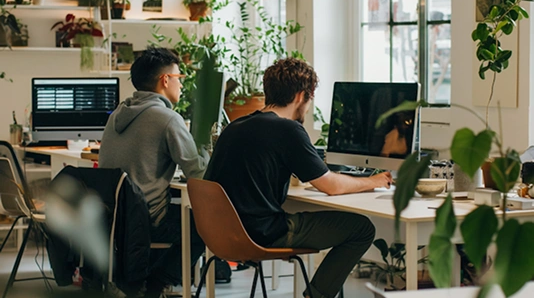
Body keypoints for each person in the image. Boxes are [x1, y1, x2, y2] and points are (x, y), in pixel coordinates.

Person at [204, 58, 393, 298]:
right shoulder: (288, 130)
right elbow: (331, 186)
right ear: (300, 96)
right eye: (309, 100)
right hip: (262, 233)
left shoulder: (236, 126)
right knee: (362, 228)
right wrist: (374, 181)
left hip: (223, 235)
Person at [99, 46, 209, 297]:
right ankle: (156, 284)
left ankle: (143, 281)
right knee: (207, 225)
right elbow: (198, 174)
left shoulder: (117, 114)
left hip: (114, 218)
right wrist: (205, 145)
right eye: (179, 78)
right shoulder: (167, 118)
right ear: (165, 79)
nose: (181, 85)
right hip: (145, 220)